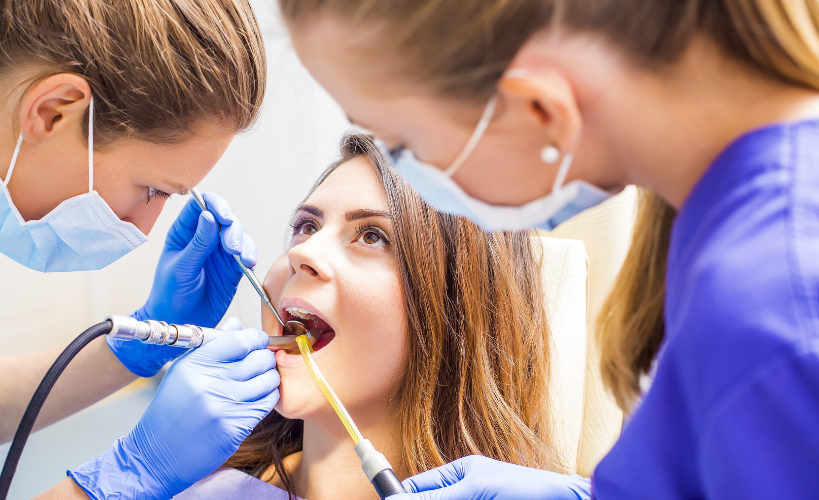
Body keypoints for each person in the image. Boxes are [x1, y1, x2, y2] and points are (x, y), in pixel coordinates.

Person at [275, 0, 819, 498]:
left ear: (539, 106)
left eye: (403, 142)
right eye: (303, 225)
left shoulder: (771, 309)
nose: (306, 254)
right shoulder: (733, 239)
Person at [0, 1, 279, 499]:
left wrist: (137, 346)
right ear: (54, 110)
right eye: (153, 189)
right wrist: (122, 479)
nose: (146, 228)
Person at [173, 132, 577, 500]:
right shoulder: (197, 481)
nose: (303, 252)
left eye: (372, 235)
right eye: (307, 226)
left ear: (457, 311)